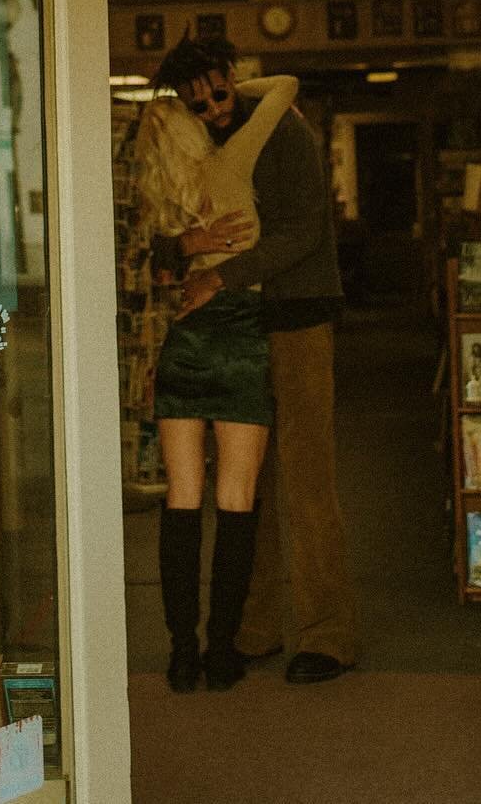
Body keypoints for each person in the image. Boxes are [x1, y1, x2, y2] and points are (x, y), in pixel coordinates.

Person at [151, 35, 357, 685]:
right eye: (199, 102)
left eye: (218, 93)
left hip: (298, 313)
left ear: (231, 77)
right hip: (240, 323)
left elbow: (304, 232)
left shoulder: (283, 134)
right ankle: (256, 624)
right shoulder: (206, 141)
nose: (212, 109)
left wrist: (223, 274)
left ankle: (329, 632)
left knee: (306, 474)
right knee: (248, 486)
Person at [134, 70, 301, 693]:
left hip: (186, 341)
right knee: (235, 505)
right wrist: (227, 89)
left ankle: (181, 653)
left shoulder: (161, 197)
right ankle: (221, 652)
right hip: (239, 338)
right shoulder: (231, 160)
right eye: (198, 108)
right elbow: (287, 86)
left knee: (181, 502)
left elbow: (149, 260)